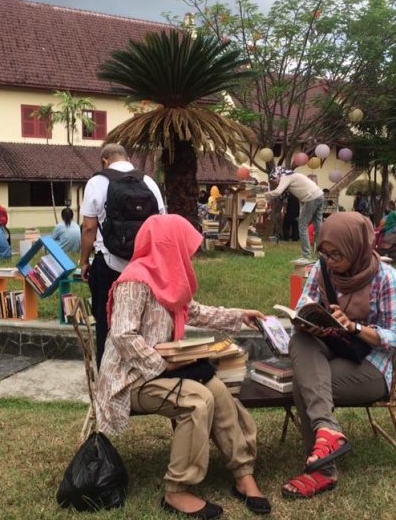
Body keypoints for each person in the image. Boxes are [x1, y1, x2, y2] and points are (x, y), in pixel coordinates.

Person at [95, 214, 270, 518]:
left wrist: (239, 316)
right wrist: (164, 365)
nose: (188, 254)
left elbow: (195, 311)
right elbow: (123, 336)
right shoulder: (135, 280)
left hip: (161, 371)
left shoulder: (168, 279)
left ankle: (243, 474)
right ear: (168, 245)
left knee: (218, 391)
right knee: (197, 401)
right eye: (184, 246)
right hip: (130, 379)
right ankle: (177, 491)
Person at [282, 212, 396, 499]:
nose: (330, 260)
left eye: (337, 254)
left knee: (304, 385)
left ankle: (322, 471)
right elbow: (304, 304)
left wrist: (355, 327)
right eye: (325, 253)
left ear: (357, 248)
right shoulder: (323, 269)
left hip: (372, 365)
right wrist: (307, 321)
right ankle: (328, 434)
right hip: (333, 347)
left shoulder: (386, 278)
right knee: (301, 341)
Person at [79, 143, 166, 367]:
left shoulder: (96, 182)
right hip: (144, 267)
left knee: (106, 323)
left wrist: (83, 262)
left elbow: (89, 228)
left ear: (105, 160)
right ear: (128, 158)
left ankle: (107, 375)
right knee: (141, 323)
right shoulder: (149, 183)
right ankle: (141, 377)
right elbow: (162, 225)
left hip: (109, 264)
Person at [265, 166, 324, 260]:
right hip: (319, 195)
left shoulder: (285, 176)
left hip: (311, 198)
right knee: (318, 227)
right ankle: (321, 255)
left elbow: (277, 192)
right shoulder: (293, 175)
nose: (275, 183)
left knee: (302, 225)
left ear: (277, 175)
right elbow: (301, 196)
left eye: (274, 180)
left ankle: (306, 255)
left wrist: (264, 195)